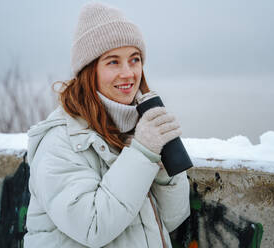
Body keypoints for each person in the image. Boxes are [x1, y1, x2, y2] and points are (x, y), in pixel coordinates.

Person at [24, 2, 190, 247]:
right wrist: (142, 154)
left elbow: (171, 220)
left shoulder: (134, 131)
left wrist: (164, 169)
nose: (128, 73)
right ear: (90, 70)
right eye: (113, 62)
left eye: (134, 60)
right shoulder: (59, 142)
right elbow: (92, 227)